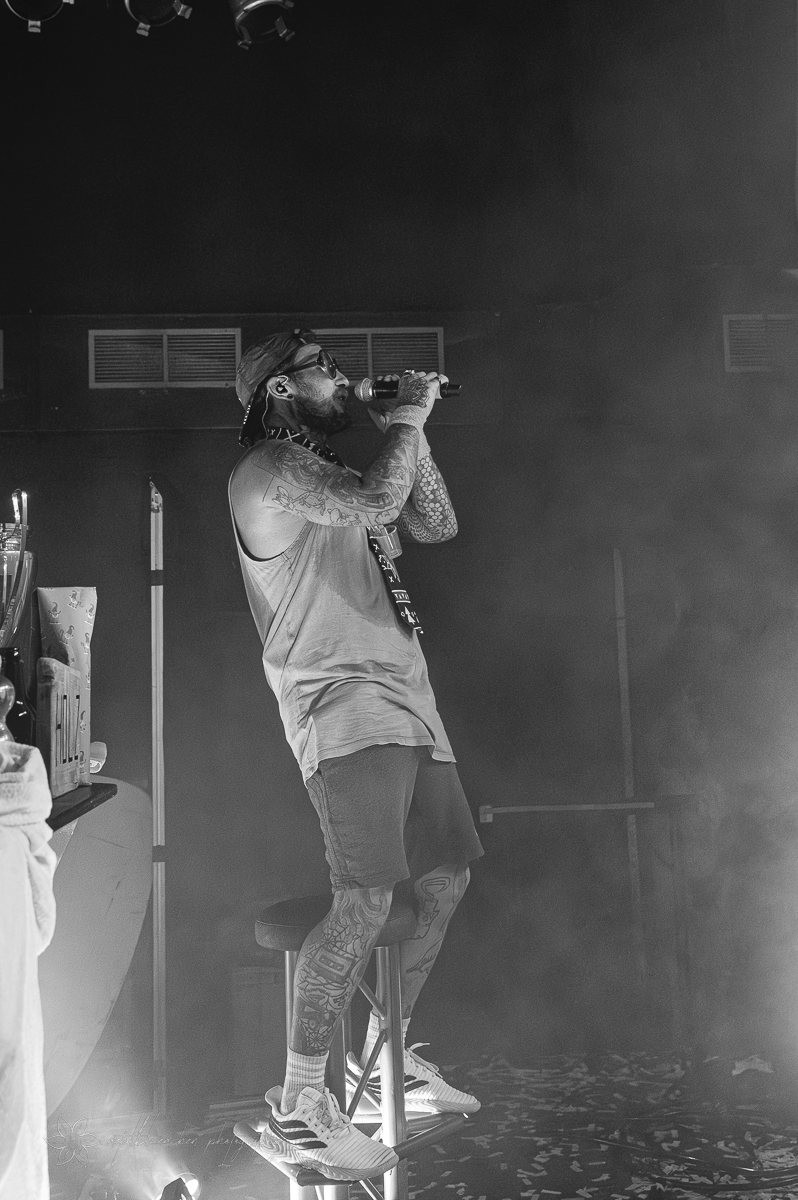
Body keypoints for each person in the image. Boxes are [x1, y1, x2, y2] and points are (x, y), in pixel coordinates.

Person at [229, 329, 484, 1182]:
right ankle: (301, 1103)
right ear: (279, 390)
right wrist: (406, 417)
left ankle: (388, 1058)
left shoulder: (333, 473)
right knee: (364, 901)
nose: (342, 378)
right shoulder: (270, 469)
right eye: (324, 368)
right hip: (341, 710)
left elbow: (436, 523)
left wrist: (408, 429)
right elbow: (379, 500)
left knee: (445, 877)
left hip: (409, 702)